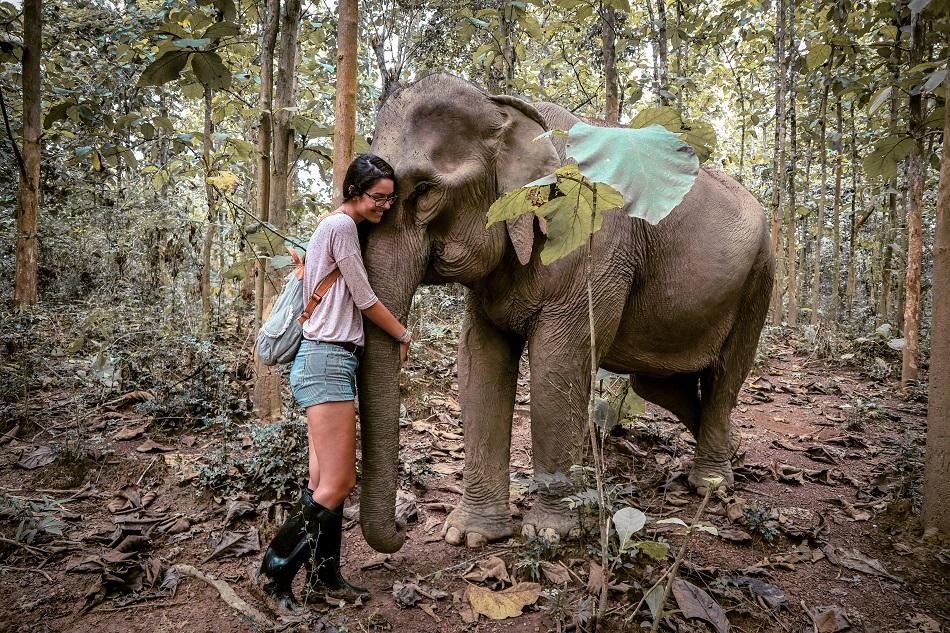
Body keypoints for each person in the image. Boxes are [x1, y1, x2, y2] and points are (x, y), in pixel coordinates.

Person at [256, 154, 411, 613]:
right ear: (354, 192)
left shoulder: (333, 229)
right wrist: (402, 333)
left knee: (321, 480)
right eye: (377, 197)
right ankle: (273, 573)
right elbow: (364, 297)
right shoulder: (341, 227)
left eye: (390, 198)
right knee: (339, 481)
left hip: (327, 360)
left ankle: (324, 578)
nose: (385, 205)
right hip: (326, 360)